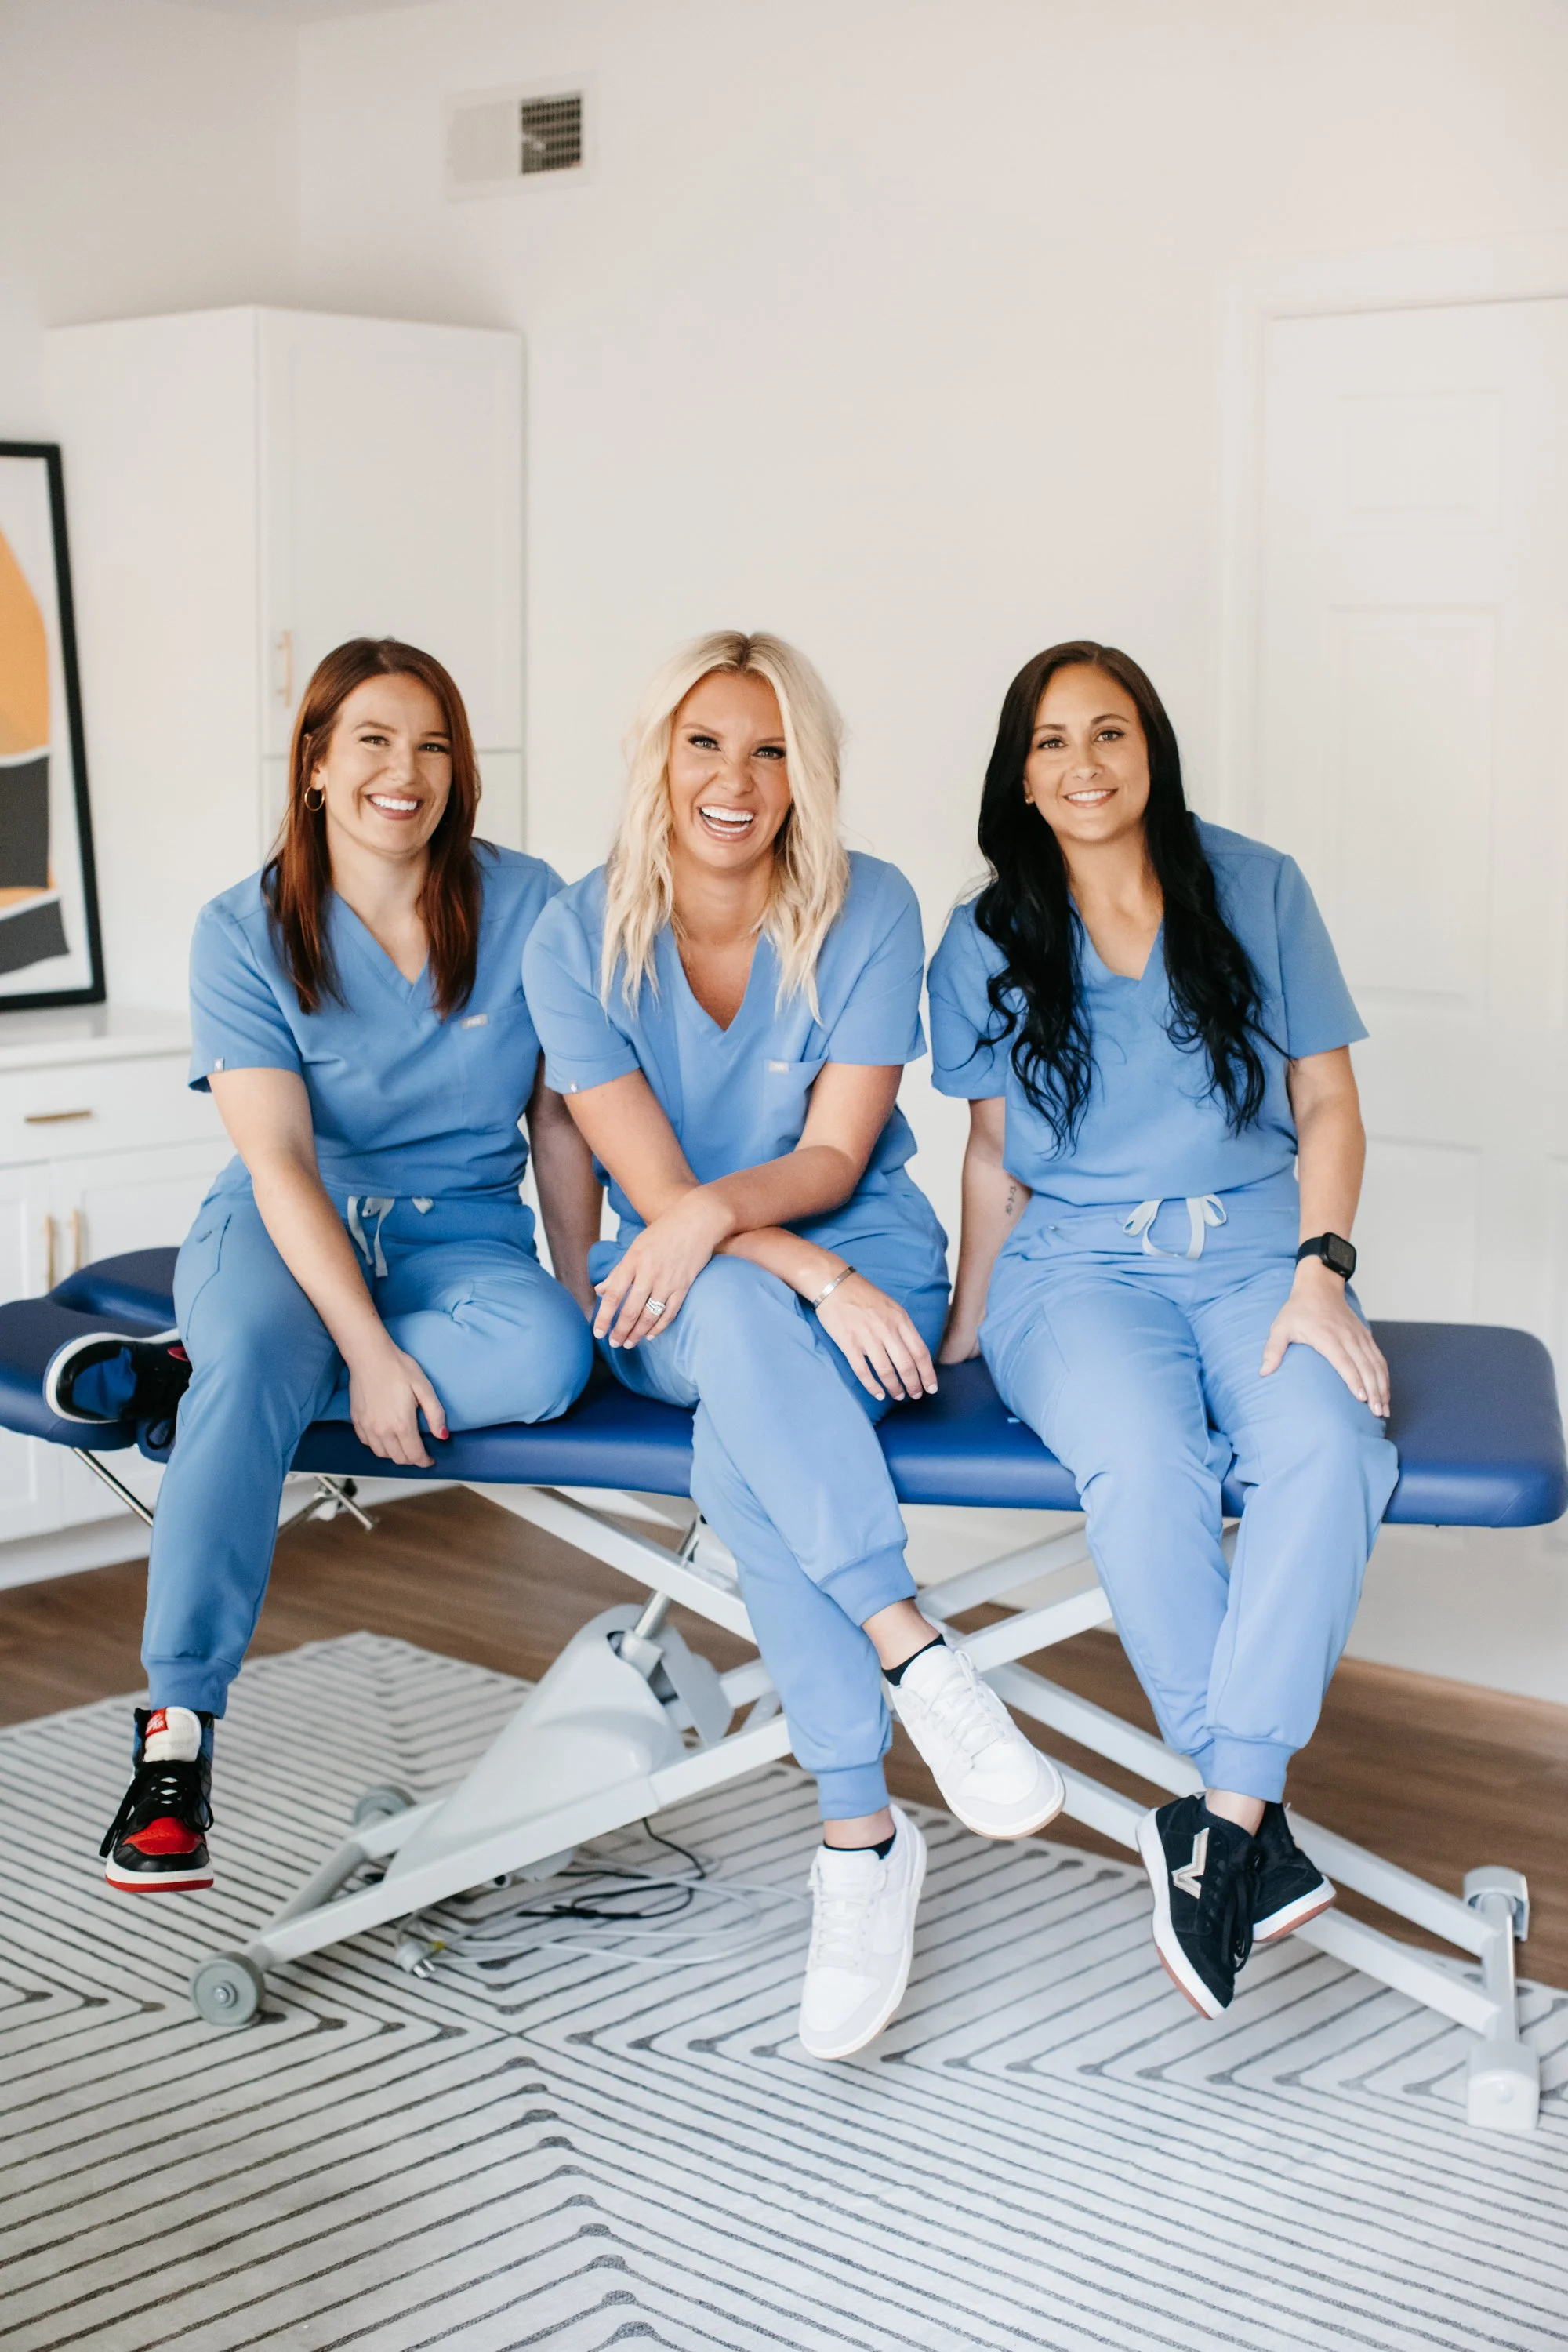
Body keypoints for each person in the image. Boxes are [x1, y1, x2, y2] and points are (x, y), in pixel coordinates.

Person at [523, 630, 1062, 2060]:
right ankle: (916, 1654)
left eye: (769, 750)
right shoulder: (571, 937)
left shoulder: (869, 906)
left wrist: (806, 1262)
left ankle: (859, 1836)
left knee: (745, 1440)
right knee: (744, 1324)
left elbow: (835, 1152)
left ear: (806, 774)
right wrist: (803, 1277)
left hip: (847, 1243)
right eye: (705, 743)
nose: (736, 778)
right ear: (658, 760)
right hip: (680, 1285)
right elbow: (654, 1206)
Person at [50, 638, 601, 1896]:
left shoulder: (529, 905)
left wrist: (577, 1295)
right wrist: (363, 1353)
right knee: (256, 1359)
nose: (403, 772)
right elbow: (283, 1162)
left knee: (548, 1357)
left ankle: (195, 1373)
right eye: (371, 741)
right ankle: (177, 1735)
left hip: (458, 1237)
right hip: (285, 1224)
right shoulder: (240, 930)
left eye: (433, 745)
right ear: (312, 763)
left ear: (460, 770)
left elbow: (561, 1122)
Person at [929, 641, 1398, 2018]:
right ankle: (1244, 1815)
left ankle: (1221, 1816)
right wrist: (969, 1323)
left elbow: (1328, 1106)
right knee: (1147, 1459)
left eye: (1111, 732)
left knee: (1331, 1444)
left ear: (1153, 748)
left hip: (1261, 1251)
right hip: (1071, 1269)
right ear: (1020, 772)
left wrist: (1323, 1269)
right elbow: (988, 1158)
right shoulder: (987, 935)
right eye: (1053, 741)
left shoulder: (1256, 886)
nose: (1084, 765)